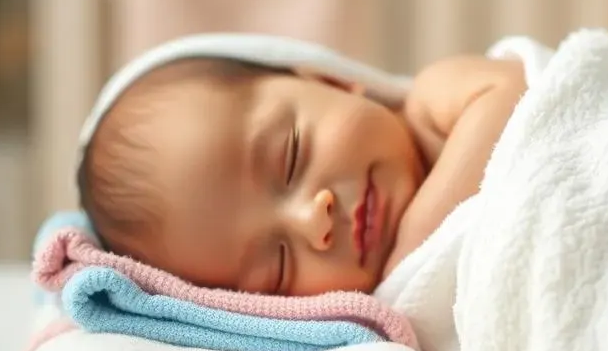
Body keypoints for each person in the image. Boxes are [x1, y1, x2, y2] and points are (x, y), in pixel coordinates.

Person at [77, 48, 526, 296]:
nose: (314, 220)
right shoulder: (394, 318)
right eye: (278, 266)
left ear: (329, 82)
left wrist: (414, 244)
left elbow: (511, 90)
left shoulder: (432, 103)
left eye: (291, 156)